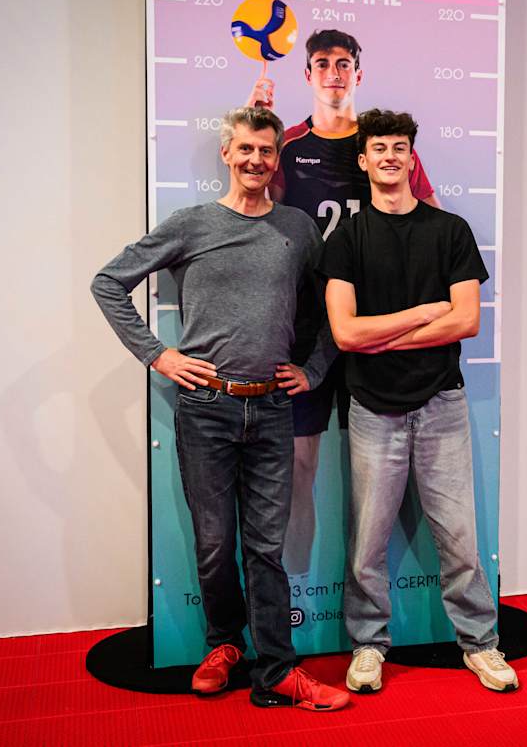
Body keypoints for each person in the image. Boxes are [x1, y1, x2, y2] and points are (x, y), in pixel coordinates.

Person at [91, 107, 349, 711]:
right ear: (227, 155)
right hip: (205, 408)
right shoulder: (192, 224)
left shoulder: (298, 230)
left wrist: (312, 371)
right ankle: (223, 645)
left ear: (276, 160)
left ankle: (279, 673)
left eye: (267, 151)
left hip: (272, 410)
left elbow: (335, 311)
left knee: (265, 548)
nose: (256, 160)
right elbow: (109, 282)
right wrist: (158, 355)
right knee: (213, 543)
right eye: (246, 150)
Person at [319, 109, 518, 694]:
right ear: (363, 161)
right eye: (377, 147)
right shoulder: (347, 238)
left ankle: (481, 645)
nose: (389, 156)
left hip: (441, 405)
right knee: (367, 542)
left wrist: (385, 333)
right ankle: (368, 646)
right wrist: (422, 313)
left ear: (412, 158)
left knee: (460, 537)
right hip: (371, 409)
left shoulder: (450, 231)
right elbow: (346, 335)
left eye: (399, 147)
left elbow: (467, 321)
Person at [247, 29, 439, 576]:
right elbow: (253, 209)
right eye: (322, 63)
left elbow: (430, 217)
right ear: (307, 75)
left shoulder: (382, 145)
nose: (334, 73)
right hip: (306, 327)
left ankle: (373, 595)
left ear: (359, 73)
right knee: (300, 462)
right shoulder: (287, 144)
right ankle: (300, 588)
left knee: (383, 469)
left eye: (344, 63)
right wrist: (259, 122)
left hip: (374, 326)